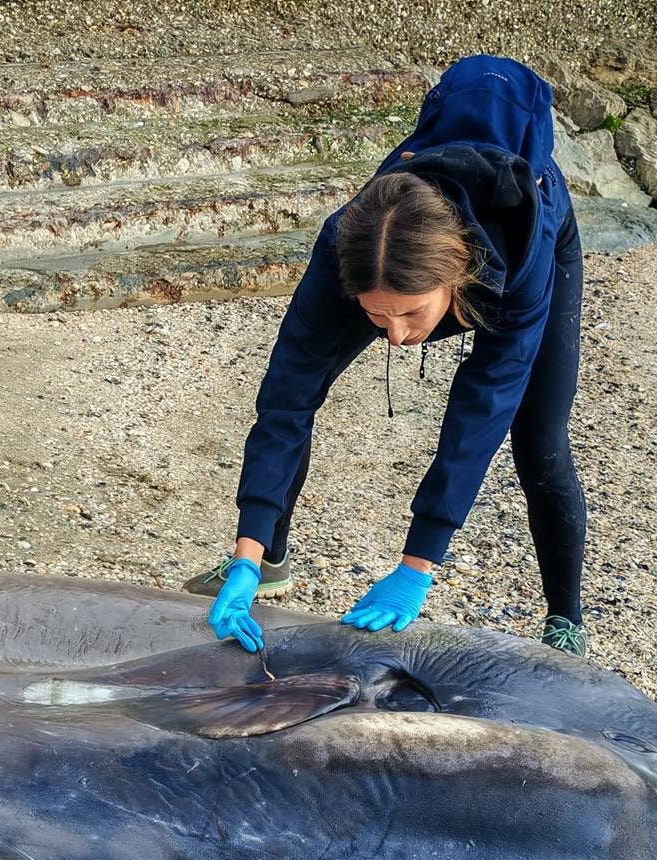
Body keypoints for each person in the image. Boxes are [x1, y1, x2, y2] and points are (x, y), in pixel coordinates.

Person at [189, 55, 590, 657]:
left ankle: (566, 618)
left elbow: (480, 410)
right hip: (394, 254)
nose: (398, 338)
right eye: (379, 317)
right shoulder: (343, 249)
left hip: (538, 242)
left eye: (411, 315)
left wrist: (417, 565)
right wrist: (246, 545)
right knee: (297, 395)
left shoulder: (519, 262)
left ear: (455, 280)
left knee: (540, 439)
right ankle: (266, 563)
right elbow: (285, 402)